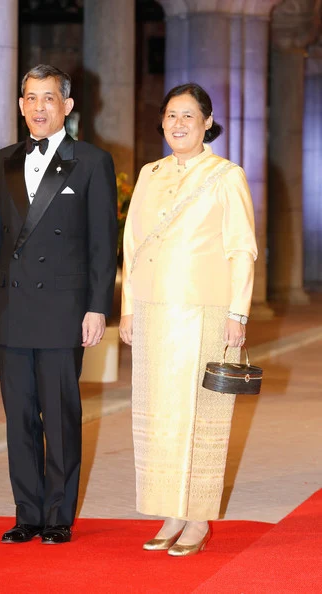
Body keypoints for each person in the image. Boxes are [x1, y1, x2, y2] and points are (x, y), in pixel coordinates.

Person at [0, 64, 117, 544]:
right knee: (19, 416)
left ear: (67, 106)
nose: (38, 107)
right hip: (10, 307)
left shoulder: (92, 161)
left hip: (62, 309)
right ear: (20, 105)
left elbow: (102, 243)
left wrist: (97, 307)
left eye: (48, 98)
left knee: (59, 414)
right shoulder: (2, 160)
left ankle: (57, 516)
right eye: (30, 98)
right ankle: (27, 513)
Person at [119, 83, 257, 557]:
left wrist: (238, 314)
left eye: (189, 117)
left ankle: (197, 518)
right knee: (159, 414)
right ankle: (169, 510)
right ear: (161, 122)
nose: (178, 124)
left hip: (206, 312)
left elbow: (242, 249)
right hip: (155, 312)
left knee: (201, 416)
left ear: (207, 122)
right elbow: (132, 247)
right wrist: (129, 309)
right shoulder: (149, 173)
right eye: (171, 116)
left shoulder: (225, 175)